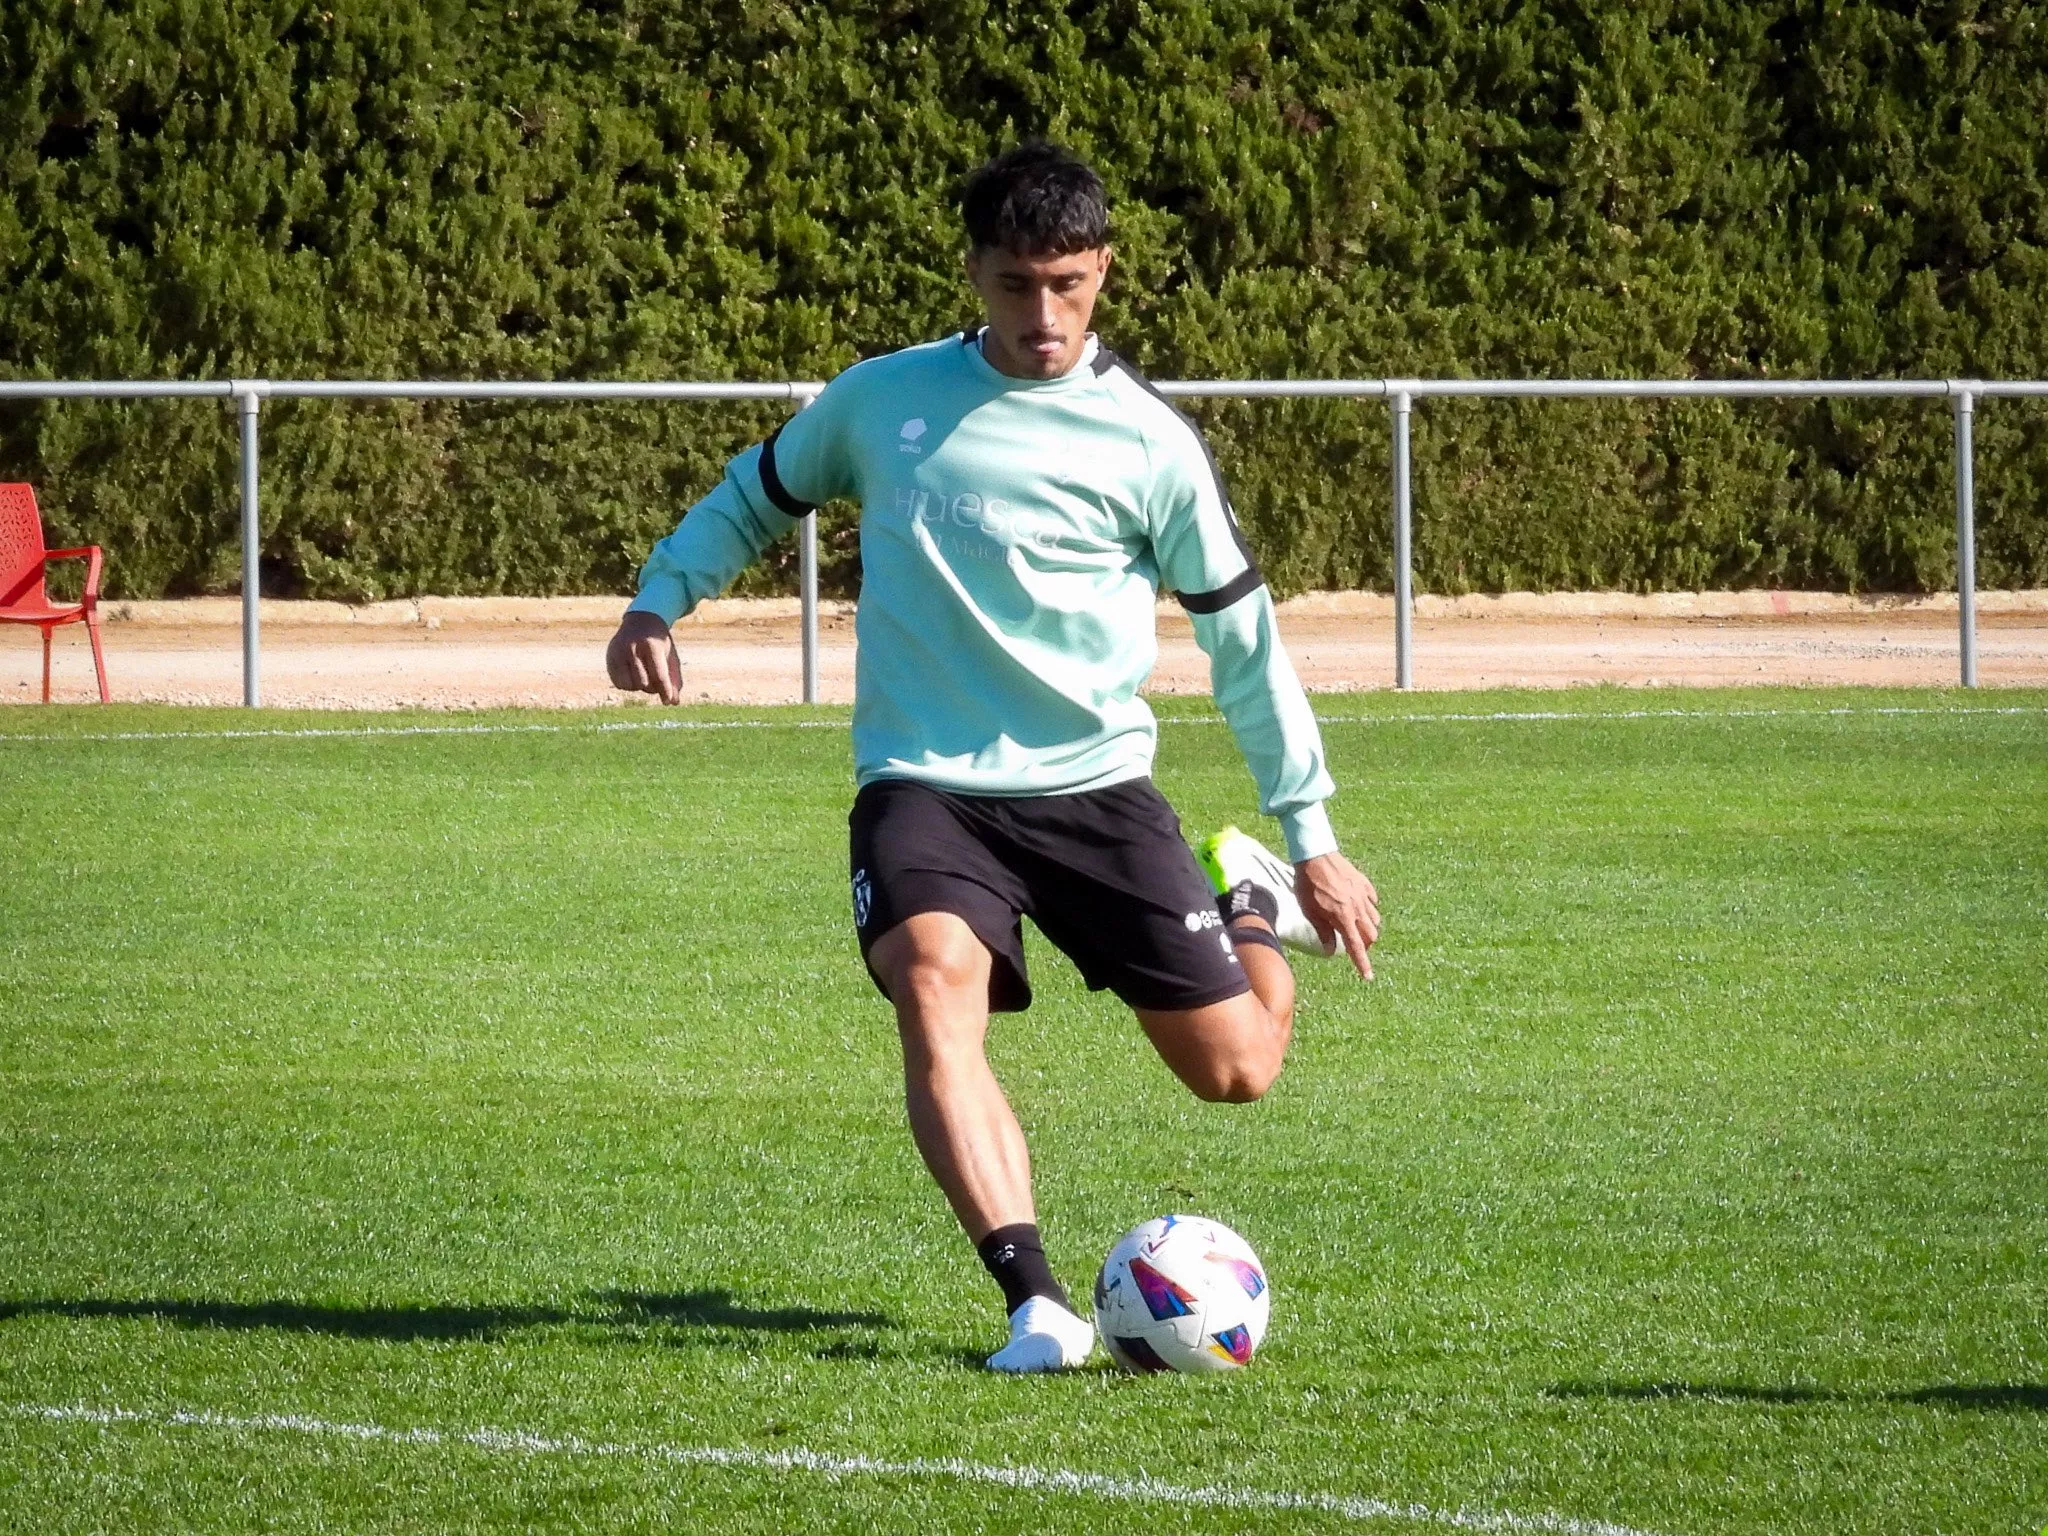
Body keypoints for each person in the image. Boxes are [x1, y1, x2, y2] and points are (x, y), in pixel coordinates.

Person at [607, 141, 1380, 1372]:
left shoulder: (1149, 446)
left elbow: (1244, 647)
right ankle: (1037, 1303)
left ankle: (1249, 902)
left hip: (1096, 791)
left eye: (1068, 284)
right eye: (1017, 285)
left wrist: (1312, 839)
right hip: (926, 787)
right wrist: (660, 599)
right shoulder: (882, 400)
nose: (1043, 315)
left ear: (1104, 274)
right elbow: (756, 495)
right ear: (973, 273)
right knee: (930, 982)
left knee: (1236, 1074)